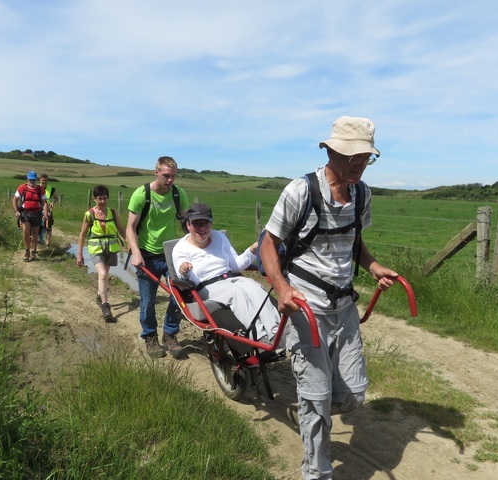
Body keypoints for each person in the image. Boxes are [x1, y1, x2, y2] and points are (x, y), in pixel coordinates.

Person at [259, 116, 398, 479]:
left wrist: (373, 266)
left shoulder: (362, 193)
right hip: (307, 309)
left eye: (366, 156)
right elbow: (268, 244)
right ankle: (316, 471)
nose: (360, 163)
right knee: (318, 399)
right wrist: (282, 286)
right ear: (331, 150)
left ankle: (307, 407)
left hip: (345, 308)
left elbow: (354, 242)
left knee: (353, 395)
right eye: (353, 155)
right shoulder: (300, 191)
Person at [172, 203, 281, 345]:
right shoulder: (180, 248)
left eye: (206, 223)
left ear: (211, 223)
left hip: (230, 278)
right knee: (236, 292)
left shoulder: (219, 237)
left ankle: (276, 332)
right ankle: (259, 336)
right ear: (188, 225)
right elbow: (188, 281)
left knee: (254, 286)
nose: (202, 228)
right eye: (197, 224)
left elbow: (235, 265)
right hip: (206, 286)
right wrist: (184, 271)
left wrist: (253, 250)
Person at [126, 156, 189, 359]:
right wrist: (136, 252)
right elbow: (130, 228)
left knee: (178, 296)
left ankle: (170, 334)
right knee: (148, 300)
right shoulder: (141, 194)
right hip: (147, 256)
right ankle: (150, 337)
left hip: (171, 254)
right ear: (156, 172)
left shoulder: (178, 194)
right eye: (166, 176)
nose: (170, 180)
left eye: (173, 176)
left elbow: (186, 224)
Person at [76, 185, 127, 322]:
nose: (103, 201)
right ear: (94, 199)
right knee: (103, 275)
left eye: (105, 198)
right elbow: (82, 235)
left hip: (111, 249)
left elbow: (122, 230)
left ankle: (99, 295)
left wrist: (131, 243)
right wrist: (79, 254)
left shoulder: (113, 213)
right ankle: (105, 306)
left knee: (104, 276)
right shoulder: (89, 214)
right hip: (96, 249)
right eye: (100, 199)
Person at [12, 171, 49, 262]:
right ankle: (27, 250)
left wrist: (46, 213)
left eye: (33, 180)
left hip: (37, 213)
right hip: (25, 213)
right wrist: (16, 210)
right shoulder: (22, 188)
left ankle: (33, 251)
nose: (31, 182)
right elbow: (15, 200)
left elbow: (44, 202)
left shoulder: (40, 189)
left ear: (36, 179)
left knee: (35, 234)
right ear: (27, 179)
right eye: (30, 180)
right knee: (25, 231)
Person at [38, 173, 58, 247]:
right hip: (38, 210)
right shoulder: (36, 188)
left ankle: (48, 243)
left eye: (46, 180)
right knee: (38, 226)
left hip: (48, 210)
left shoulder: (51, 189)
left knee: (48, 227)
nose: (44, 182)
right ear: (40, 180)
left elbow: (56, 198)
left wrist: (53, 203)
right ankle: (39, 240)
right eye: (43, 180)